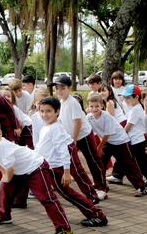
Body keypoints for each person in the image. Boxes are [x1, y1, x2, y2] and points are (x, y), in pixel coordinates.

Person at [0, 118, 74, 234]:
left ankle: (65, 230)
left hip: (36, 167)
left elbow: (10, 170)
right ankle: (4, 216)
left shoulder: (3, 146)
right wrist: (4, 178)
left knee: (46, 198)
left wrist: (5, 179)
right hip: (20, 170)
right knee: (5, 189)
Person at [36, 97, 108, 226]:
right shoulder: (48, 126)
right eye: (42, 111)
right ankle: (95, 214)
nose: (44, 114)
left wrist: (66, 172)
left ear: (57, 112)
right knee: (68, 193)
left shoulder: (55, 128)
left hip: (57, 168)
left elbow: (63, 151)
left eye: (48, 111)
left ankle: (97, 215)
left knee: (69, 193)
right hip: (52, 167)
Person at [54, 75, 108, 200]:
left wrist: (74, 140)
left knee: (93, 160)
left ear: (70, 88)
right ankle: (96, 184)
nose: (59, 90)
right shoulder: (62, 102)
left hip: (82, 135)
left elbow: (77, 122)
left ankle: (101, 187)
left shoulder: (73, 102)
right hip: (73, 137)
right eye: (57, 88)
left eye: (63, 87)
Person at [86, 93, 147, 197]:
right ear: (88, 107)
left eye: (97, 106)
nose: (94, 109)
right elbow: (91, 133)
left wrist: (100, 147)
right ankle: (101, 186)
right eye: (91, 106)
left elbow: (107, 134)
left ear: (102, 106)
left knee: (129, 165)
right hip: (108, 142)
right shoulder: (89, 117)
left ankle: (140, 187)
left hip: (121, 141)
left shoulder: (106, 116)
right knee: (100, 163)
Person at [119, 84, 147, 192]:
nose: (126, 100)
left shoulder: (136, 109)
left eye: (128, 97)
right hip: (135, 141)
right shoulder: (133, 108)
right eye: (125, 97)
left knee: (145, 165)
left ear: (136, 97)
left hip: (138, 141)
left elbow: (128, 126)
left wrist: (120, 135)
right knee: (142, 164)